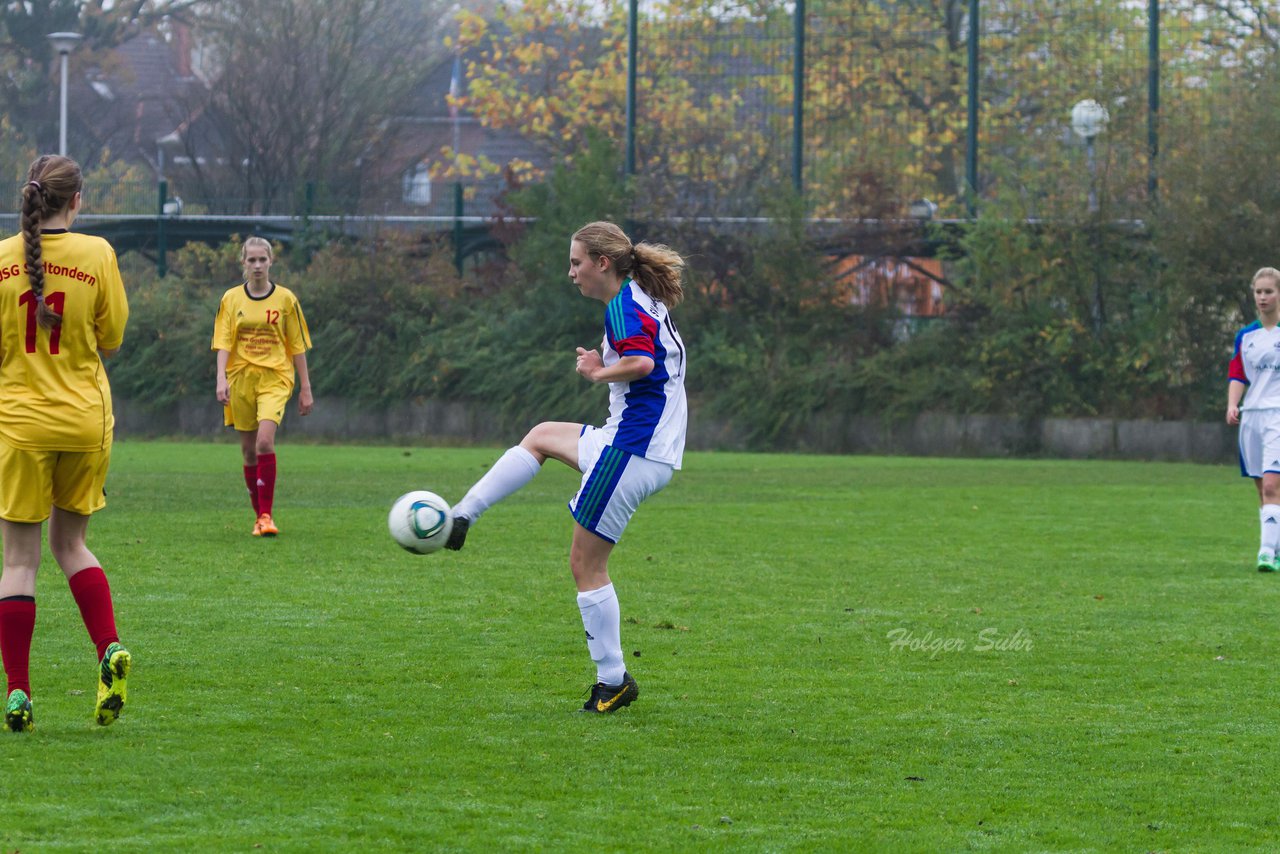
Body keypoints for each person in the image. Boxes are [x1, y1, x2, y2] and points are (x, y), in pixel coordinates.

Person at [445, 220, 688, 713]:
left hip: (631, 451)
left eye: (576, 262)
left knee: (586, 565)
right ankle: (462, 515)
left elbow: (642, 364)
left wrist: (598, 371)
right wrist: (605, 361)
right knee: (540, 436)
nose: (571, 272)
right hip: (636, 445)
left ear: (602, 263)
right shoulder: (636, 297)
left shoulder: (623, 305)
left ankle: (613, 680)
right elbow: (645, 361)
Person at [0, 155, 132, 732]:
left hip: (21, 424)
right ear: (76, 199)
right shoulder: (98, 254)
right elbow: (115, 336)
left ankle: (19, 692)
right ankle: (108, 649)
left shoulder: (2, 258)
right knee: (72, 545)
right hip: (84, 421)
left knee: (18, 562)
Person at [212, 237, 314, 537]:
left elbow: (297, 346)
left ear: (271, 262)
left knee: (264, 443)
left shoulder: (285, 300)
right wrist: (221, 378)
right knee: (248, 452)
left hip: (275, 378)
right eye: (251, 260)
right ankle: (260, 517)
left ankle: (267, 515)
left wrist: (305, 388)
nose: (257, 265)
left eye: (262, 260)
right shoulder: (231, 299)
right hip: (241, 378)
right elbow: (223, 343)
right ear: (243, 263)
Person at [1228, 266, 1280, 572]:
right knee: (1264, 489)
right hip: (1253, 417)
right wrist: (1233, 404)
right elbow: (1237, 373)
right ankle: (1276, 548)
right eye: (1258, 292)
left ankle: (1264, 553)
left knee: (1273, 485)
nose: (1263, 297)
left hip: (1279, 415)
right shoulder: (1246, 336)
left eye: (1269, 291)